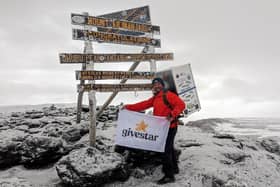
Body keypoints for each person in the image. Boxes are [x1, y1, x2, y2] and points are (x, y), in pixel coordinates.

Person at [124, 77, 186, 184]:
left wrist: (172, 114)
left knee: (165, 151)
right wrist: (128, 107)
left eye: (158, 84)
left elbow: (181, 105)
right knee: (169, 149)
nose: (156, 86)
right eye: (154, 85)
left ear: (162, 86)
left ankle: (169, 176)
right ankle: (174, 169)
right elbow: (142, 105)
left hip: (171, 127)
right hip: (162, 128)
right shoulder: (155, 98)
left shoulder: (169, 95)